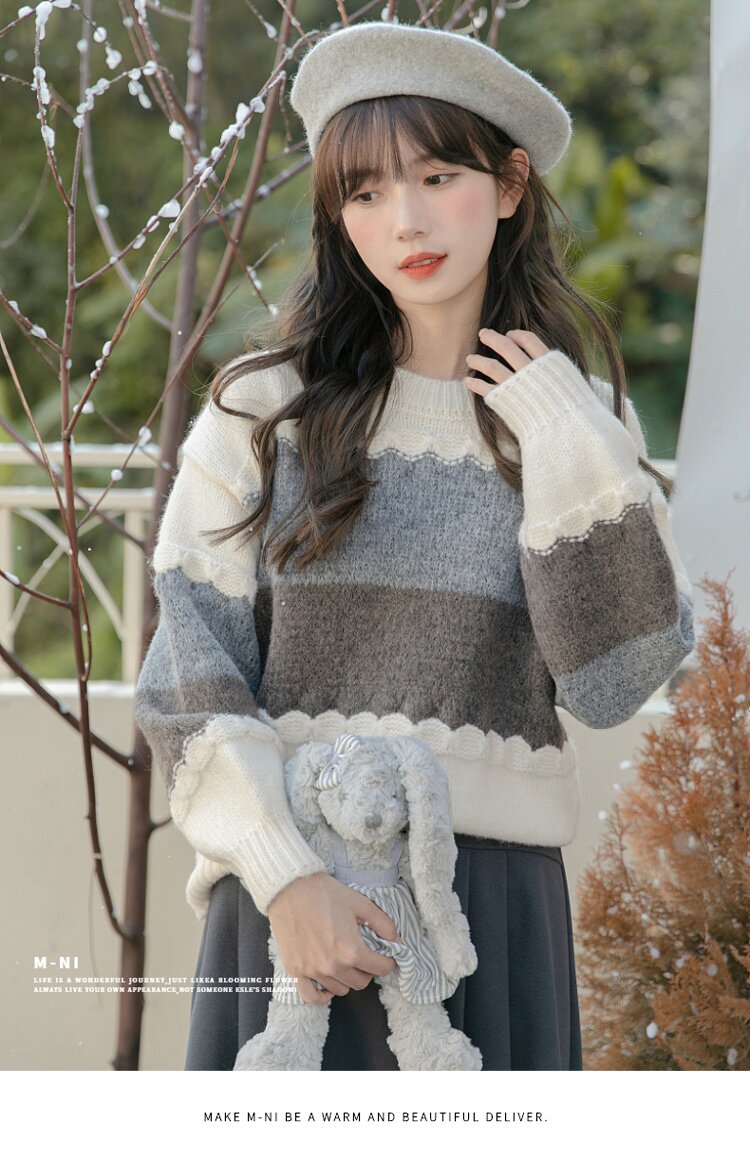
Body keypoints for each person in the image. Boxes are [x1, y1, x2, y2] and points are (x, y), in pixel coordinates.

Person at [134, 21, 695, 1070]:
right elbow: (187, 675)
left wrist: (566, 436)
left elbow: (615, 682)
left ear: (511, 185)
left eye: (439, 177)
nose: (407, 221)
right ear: (338, 217)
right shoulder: (264, 411)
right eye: (366, 193)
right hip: (291, 905)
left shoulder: (576, 425)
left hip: (490, 913)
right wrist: (286, 878)